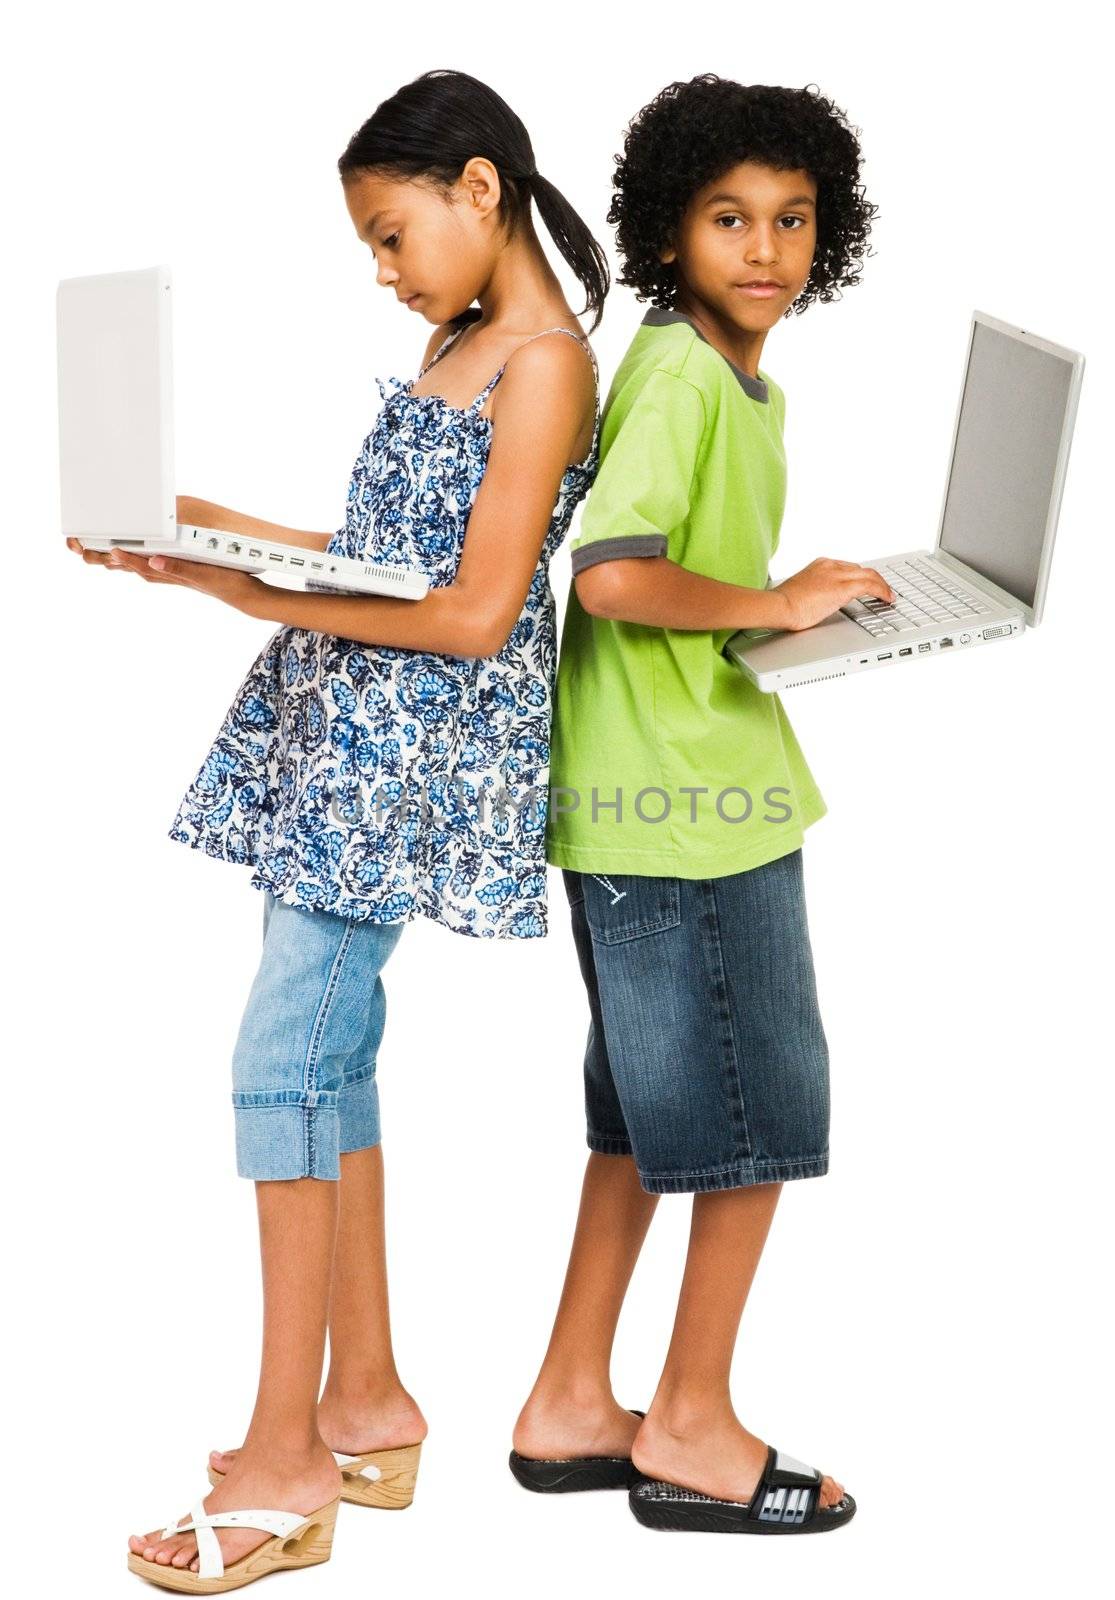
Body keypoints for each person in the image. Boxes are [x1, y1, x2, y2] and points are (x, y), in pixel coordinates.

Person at [69, 66, 606, 1590]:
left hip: (407, 752)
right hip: (344, 734)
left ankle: (286, 1455)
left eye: (391, 234)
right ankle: (364, 1400)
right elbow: (384, 555)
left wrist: (251, 593)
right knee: (328, 1052)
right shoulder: (461, 337)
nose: (383, 271)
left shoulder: (545, 362)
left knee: (284, 1056)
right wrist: (206, 535)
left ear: (480, 190)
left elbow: (480, 609)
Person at [511, 75, 892, 1536]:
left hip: (650, 800)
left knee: (640, 1117)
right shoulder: (677, 374)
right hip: (687, 812)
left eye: (794, 221)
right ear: (667, 234)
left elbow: (670, 581)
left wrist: (788, 615)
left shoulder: (726, 372)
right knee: (755, 1112)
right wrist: (778, 599)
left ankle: (566, 1403)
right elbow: (612, 572)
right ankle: (690, 1425)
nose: (766, 248)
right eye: (730, 218)